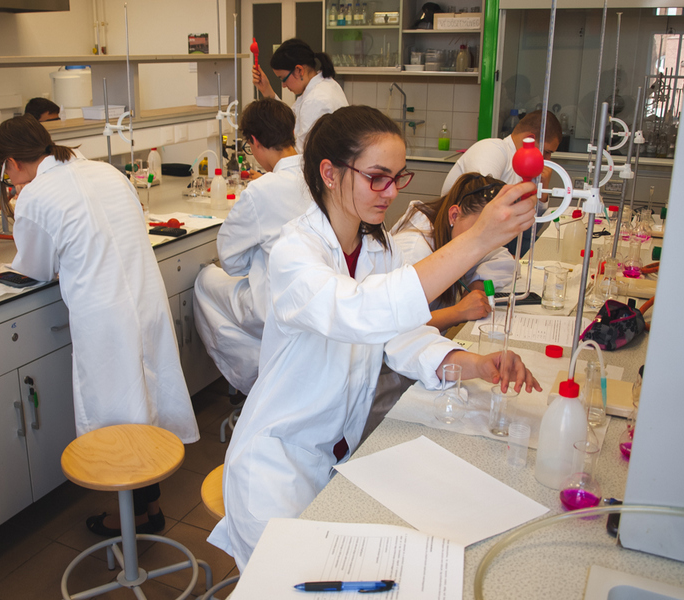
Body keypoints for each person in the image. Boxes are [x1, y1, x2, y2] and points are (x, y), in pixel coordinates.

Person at [207, 105, 542, 570]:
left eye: (397, 178)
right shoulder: (294, 253)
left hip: (334, 456)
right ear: (329, 173)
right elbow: (359, 311)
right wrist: (478, 239)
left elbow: (401, 335)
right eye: (377, 177)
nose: (391, 192)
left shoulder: (376, 247)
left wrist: (474, 364)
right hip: (275, 468)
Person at [0, 116, 199, 537]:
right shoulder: (105, 171)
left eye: (5, 171)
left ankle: (133, 519)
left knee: (120, 422)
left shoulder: (35, 196)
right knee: (144, 408)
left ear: (11, 163)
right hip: (145, 301)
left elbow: (35, 267)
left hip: (105, 320)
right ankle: (150, 508)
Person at [193, 98, 311, 395]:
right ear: (291, 132)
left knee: (205, 280)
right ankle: (271, 371)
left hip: (275, 306)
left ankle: (256, 378)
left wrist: (256, 260)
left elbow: (231, 262)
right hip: (312, 299)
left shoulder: (261, 190)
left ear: (254, 142)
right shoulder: (318, 175)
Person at [391, 173, 515, 333]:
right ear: (454, 215)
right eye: (480, 229)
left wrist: (476, 289)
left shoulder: (453, 232)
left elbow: (500, 256)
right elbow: (397, 329)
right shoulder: (414, 251)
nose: (485, 239)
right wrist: (458, 312)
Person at [441, 110, 562, 257]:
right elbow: (481, 214)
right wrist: (507, 260)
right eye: (547, 152)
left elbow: (529, 230)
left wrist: (542, 193)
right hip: (458, 238)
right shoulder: (493, 149)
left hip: (492, 237)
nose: (547, 160)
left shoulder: (524, 167)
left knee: (547, 251)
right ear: (529, 139)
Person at [252, 38, 348, 153]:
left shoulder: (315, 100)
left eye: (283, 79)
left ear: (299, 70)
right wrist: (266, 90)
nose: (283, 85)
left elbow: (302, 154)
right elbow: (289, 119)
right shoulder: (325, 85)